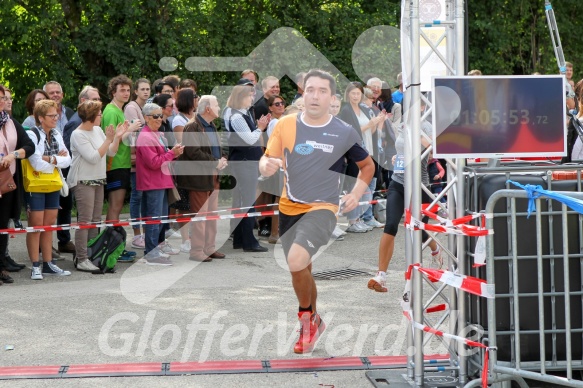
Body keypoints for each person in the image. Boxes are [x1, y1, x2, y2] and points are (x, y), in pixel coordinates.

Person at [259, 69, 374, 354]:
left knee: (296, 261)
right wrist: (267, 166)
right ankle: (314, 319)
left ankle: (305, 320)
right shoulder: (285, 124)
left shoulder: (342, 131)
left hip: (323, 208)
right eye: (310, 89)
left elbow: (368, 166)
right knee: (302, 269)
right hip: (289, 207)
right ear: (303, 93)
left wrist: (357, 194)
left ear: (332, 98)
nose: (315, 95)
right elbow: (266, 160)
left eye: (322, 91)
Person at [368, 101, 443, 293]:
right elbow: (400, 148)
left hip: (420, 186)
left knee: (421, 231)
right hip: (399, 182)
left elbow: (436, 151)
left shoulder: (426, 126)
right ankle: (381, 275)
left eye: (414, 105)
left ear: (422, 108)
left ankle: (436, 251)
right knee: (391, 225)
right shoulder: (402, 125)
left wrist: (420, 139)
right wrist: (397, 158)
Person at [68, 101, 126, 272]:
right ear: (92, 116)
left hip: (99, 179)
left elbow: (111, 152)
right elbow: (93, 157)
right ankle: (81, 258)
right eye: (99, 113)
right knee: (85, 221)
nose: (101, 116)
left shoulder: (98, 130)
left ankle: (93, 253)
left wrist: (116, 137)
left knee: (95, 220)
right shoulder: (78, 134)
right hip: (83, 181)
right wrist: (109, 139)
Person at [176, 95, 227, 262]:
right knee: (200, 216)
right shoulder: (192, 127)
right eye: (217, 105)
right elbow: (194, 152)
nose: (219, 107)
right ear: (208, 109)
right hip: (198, 178)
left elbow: (215, 150)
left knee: (211, 215)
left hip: (212, 175)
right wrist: (215, 162)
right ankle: (197, 251)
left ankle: (209, 248)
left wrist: (222, 160)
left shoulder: (211, 125)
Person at [25, 99, 72, 280]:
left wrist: (50, 159)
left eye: (56, 114)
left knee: (49, 224)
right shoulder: (32, 135)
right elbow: (35, 163)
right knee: (36, 225)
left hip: (52, 183)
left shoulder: (57, 133)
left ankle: (48, 263)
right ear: (41, 118)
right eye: (52, 115)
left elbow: (67, 159)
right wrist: (55, 160)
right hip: (36, 184)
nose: (56, 118)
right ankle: (35, 265)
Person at [136, 103, 184, 265]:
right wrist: (172, 153)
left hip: (160, 182)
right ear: (146, 118)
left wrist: (173, 153)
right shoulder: (145, 136)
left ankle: (154, 249)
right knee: (154, 218)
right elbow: (153, 163)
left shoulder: (155, 134)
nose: (160, 119)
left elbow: (161, 158)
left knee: (160, 218)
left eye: (160, 115)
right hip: (153, 183)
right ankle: (151, 253)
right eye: (156, 116)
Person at [226, 83, 270, 252]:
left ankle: (240, 239)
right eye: (249, 96)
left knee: (243, 201)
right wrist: (260, 128)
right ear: (240, 98)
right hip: (243, 163)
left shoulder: (244, 114)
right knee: (248, 201)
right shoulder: (237, 116)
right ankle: (248, 242)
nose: (252, 98)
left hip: (245, 162)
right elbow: (250, 139)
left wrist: (258, 127)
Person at [102, 75, 141, 261]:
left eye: (127, 90)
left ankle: (114, 246)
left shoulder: (119, 110)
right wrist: (131, 130)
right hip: (114, 164)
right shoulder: (111, 111)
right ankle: (111, 248)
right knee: (115, 206)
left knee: (117, 206)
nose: (126, 93)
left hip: (122, 163)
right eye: (122, 90)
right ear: (113, 92)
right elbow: (111, 139)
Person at [339, 82, 386, 232]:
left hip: (368, 150)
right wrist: (369, 125)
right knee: (356, 185)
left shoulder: (363, 109)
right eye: (353, 93)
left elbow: (369, 133)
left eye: (358, 93)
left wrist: (377, 123)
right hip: (355, 153)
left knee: (369, 186)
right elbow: (349, 131)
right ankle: (353, 220)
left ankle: (366, 217)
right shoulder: (345, 110)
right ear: (348, 94)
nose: (355, 96)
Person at [0, 85, 35, 283]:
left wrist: (14, 155)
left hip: (6, 182)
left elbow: (28, 146)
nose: (4, 101)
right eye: (1, 98)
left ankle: (1, 267)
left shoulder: (11, 122)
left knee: (2, 225)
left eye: (4, 98)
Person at [170, 88, 198, 252]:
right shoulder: (178, 120)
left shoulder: (195, 117)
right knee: (184, 204)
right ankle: (185, 239)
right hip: (184, 164)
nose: (198, 99)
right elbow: (183, 142)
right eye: (195, 97)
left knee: (195, 203)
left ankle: (195, 236)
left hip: (196, 164)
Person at [124, 78, 150, 250]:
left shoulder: (144, 107)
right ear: (136, 91)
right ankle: (136, 235)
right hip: (135, 158)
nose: (146, 92)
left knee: (143, 196)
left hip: (143, 157)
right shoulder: (132, 108)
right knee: (137, 196)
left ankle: (145, 233)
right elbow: (138, 133)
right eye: (142, 89)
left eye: (148, 89)